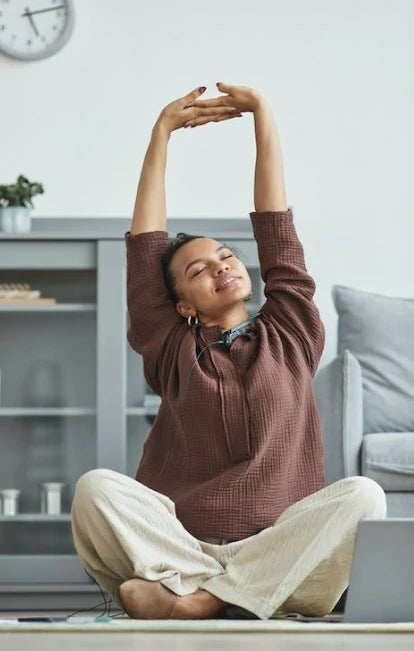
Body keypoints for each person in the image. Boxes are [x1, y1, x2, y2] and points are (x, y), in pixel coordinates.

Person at [71, 82, 387, 620]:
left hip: (281, 551)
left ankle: (202, 599)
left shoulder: (291, 330)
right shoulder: (171, 347)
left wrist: (264, 114)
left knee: (364, 495)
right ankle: (225, 595)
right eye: (198, 270)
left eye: (225, 255)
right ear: (181, 306)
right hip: (182, 549)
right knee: (95, 489)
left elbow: (276, 225)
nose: (221, 265)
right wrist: (161, 134)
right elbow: (146, 244)